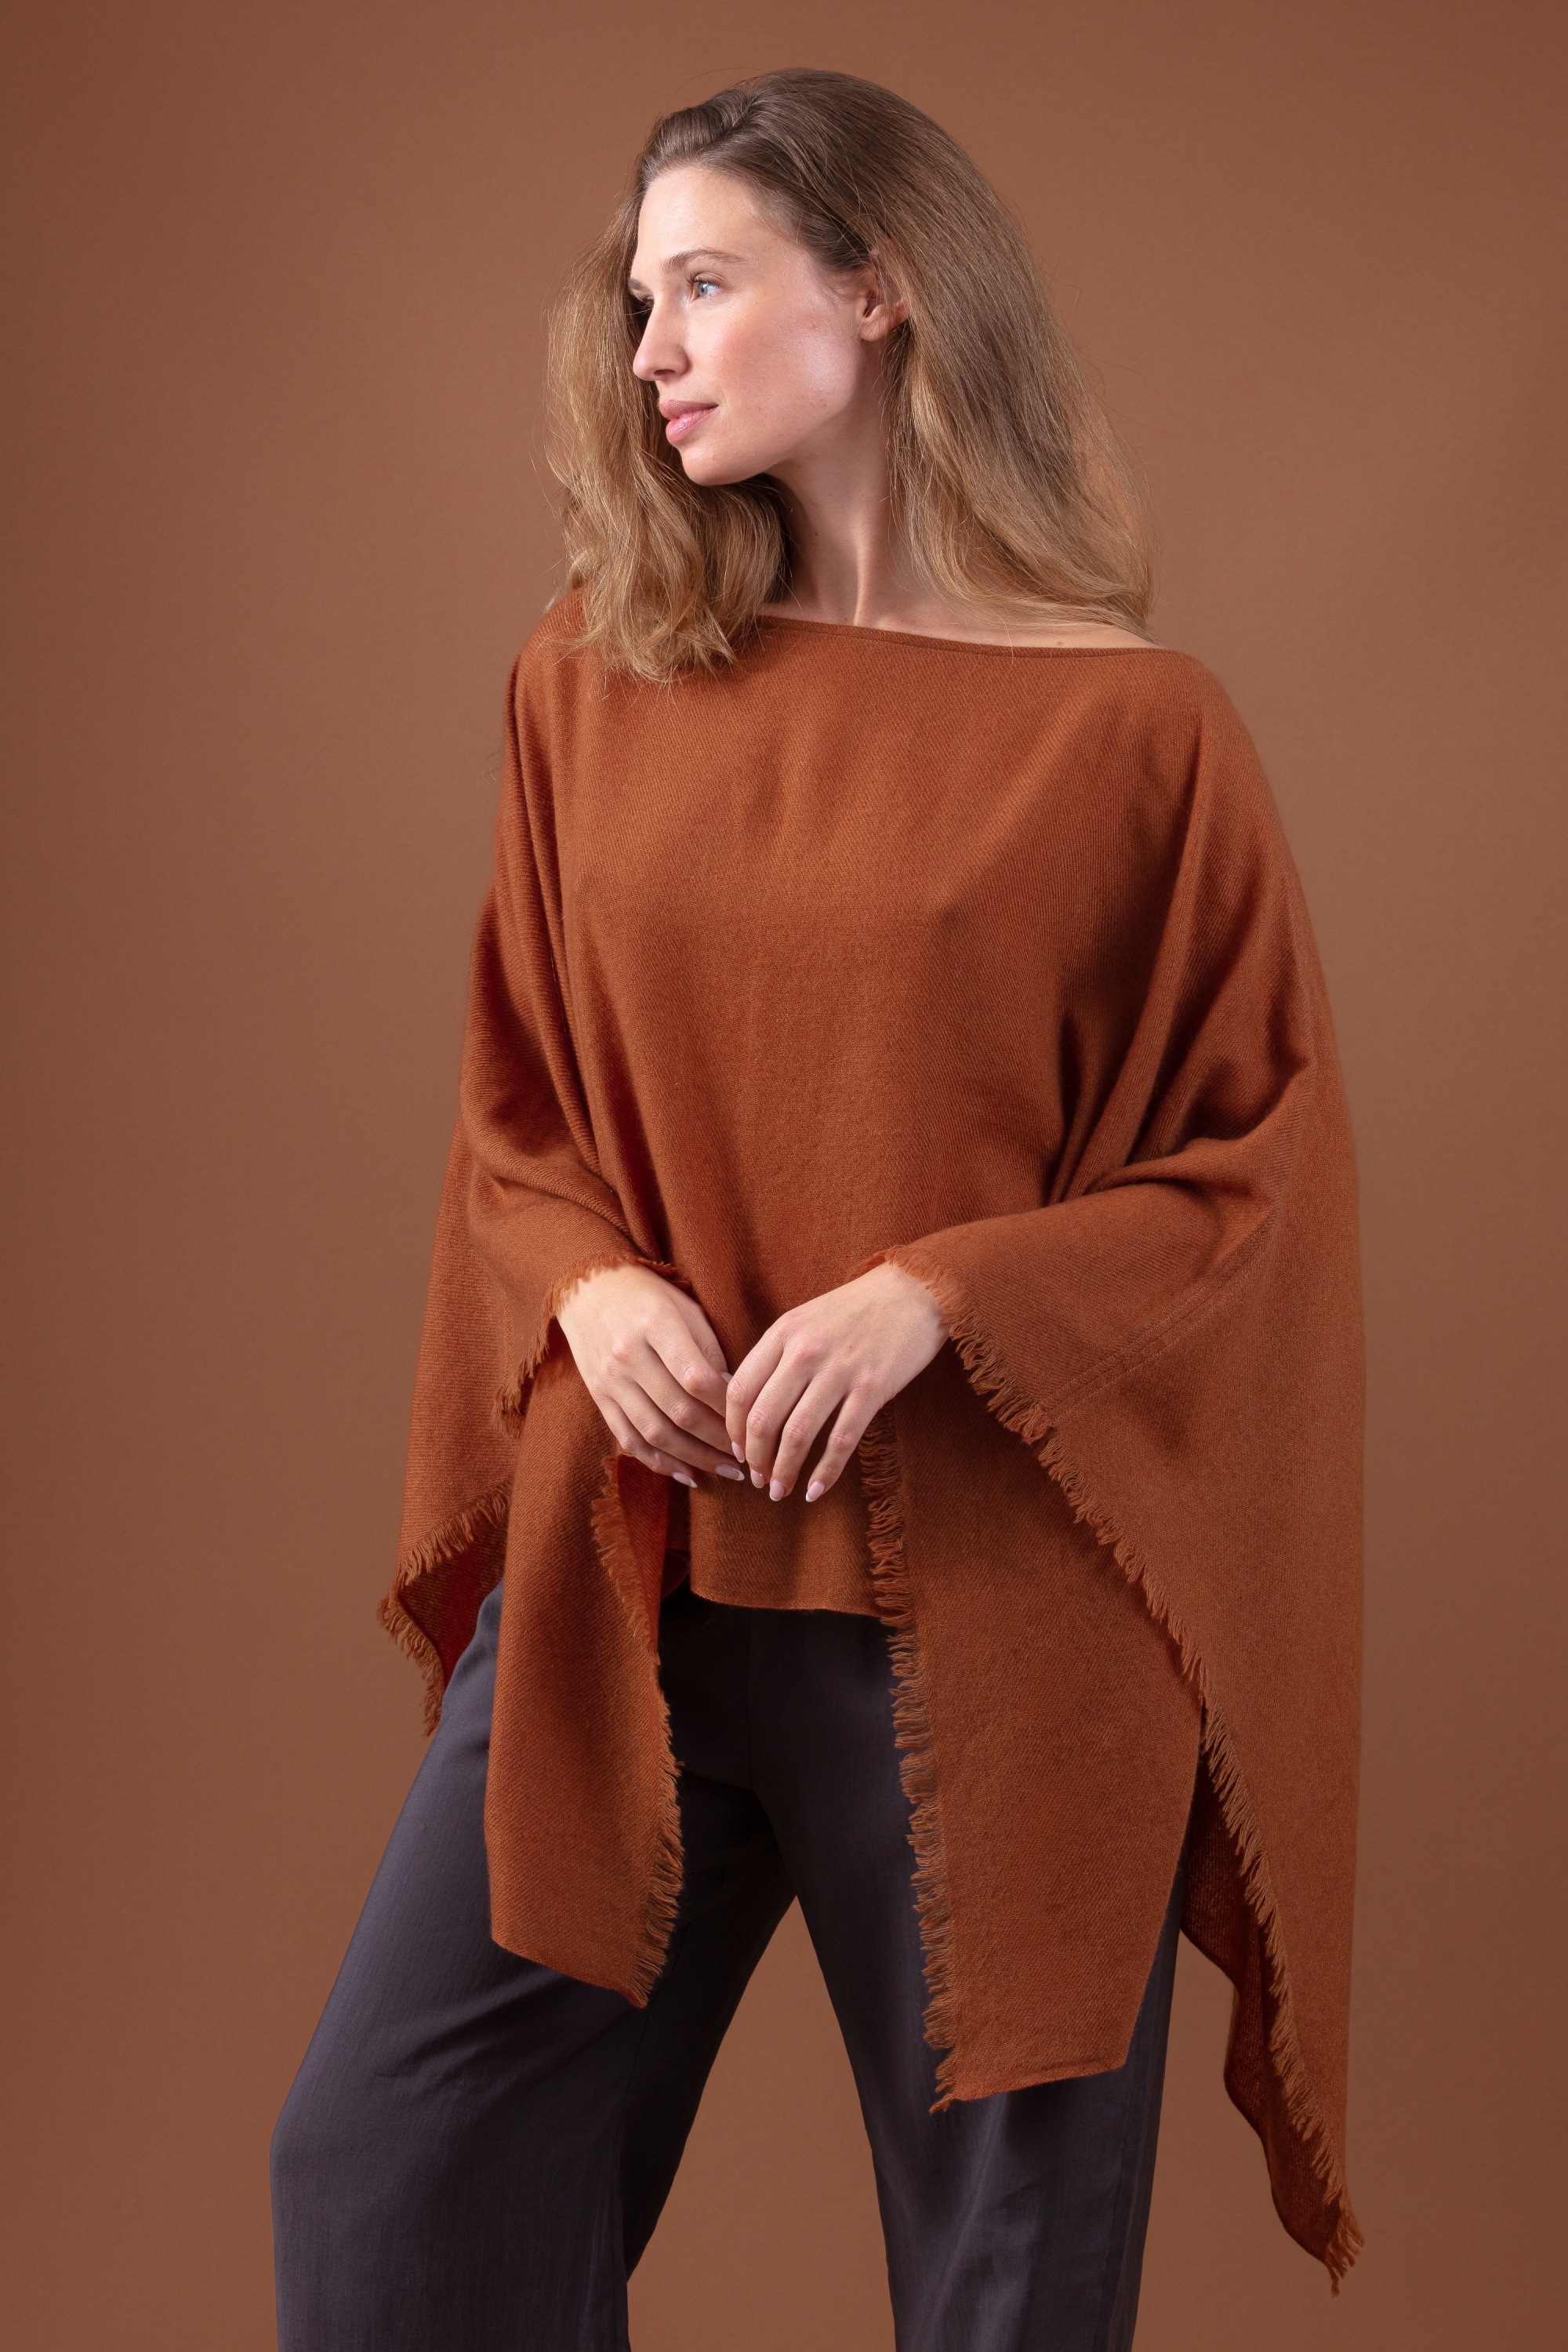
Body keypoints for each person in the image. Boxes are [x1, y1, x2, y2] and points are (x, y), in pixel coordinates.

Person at [270, 67, 1363, 2352]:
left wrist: (941, 1297)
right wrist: (588, 1292)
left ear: (879, 289)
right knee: (389, 2168)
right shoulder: (588, 683)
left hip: (996, 1603)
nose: (648, 346)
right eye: (637, 298)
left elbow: (1248, 1178)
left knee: (1005, 2289)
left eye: (704, 284)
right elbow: (517, 1104)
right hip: (633, 1564)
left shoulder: (1136, 734)